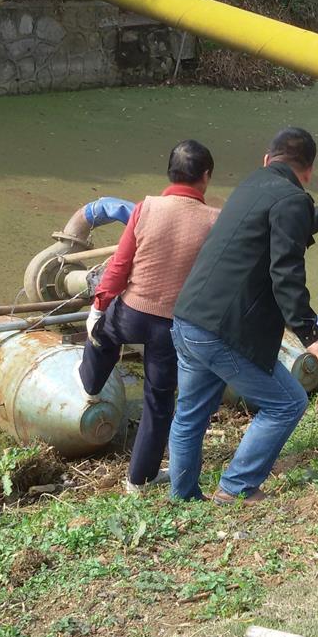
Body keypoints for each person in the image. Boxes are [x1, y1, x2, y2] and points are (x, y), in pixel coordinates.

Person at [168, 127, 318, 504]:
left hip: (189, 318)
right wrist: (311, 334)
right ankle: (236, 487)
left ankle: (183, 497)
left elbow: (294, 217)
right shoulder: (290, 199)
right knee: (287, 402)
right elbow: (285, 274)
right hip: (224, 330)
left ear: (267, 160)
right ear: (309, 171)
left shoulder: (254, 185)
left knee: (190, 414)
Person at [78, 140, 219, 494]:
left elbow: (120, 266)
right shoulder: (215, 219)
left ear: (170, 174)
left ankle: (90, 385)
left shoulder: (147, 208)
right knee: (159, 400)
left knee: (102, 336)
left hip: (132, 313)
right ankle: (138, 480)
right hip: (174, 326)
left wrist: (98, 308)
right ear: (206, 177)